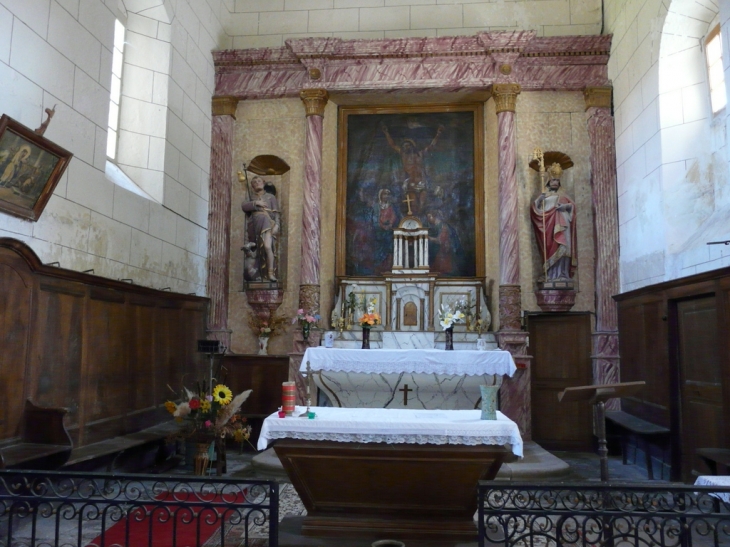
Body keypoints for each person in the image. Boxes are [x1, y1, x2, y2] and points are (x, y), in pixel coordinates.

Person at [381, 123, 444, 216]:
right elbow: (393, 145)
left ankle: (421, 222)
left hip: (421, 182)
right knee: (413, 204)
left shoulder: (420, 154)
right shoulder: (403, 155)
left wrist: (438, 134)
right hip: (410, 183)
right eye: (404, 146)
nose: (406, 147)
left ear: (412, 145)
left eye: (408, 145)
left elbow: (431, 146)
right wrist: (386, 133)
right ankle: (414, 223)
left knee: (422, 204)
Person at [530, 163, 577, 281]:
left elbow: (573, 207)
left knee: (564, 247)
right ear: (548, 181)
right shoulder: (544, 196)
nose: (555, 182)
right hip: (549, 227)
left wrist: (566, 206)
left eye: (557, 180)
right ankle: (551, 275)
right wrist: (539, 200)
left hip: (564, 225)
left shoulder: (563, 195)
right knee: (551, 248)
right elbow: (536, 211)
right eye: (552, 180)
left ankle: (563, 274)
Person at [240, 174, 280, 282]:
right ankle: (258, 273)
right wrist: (256, 202)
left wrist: (277, 225)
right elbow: (244, 206)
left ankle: (270, 273)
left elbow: (276, 213)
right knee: (256, 249)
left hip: (267, 222)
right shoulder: (251, 197)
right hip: (254, 225)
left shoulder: (271, 197)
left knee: (267, 247)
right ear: (252, 186)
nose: (257, 183)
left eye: (259, 181)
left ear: (263, 183)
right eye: (254, 182)